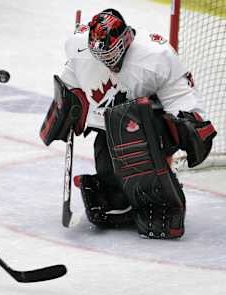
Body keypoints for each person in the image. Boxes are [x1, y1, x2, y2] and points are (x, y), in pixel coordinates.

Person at [40, 8, 216, 239]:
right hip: (108, 122)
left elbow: (179, 94)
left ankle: (160, 197)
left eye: (111, 53)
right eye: (100, 55)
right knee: (110, 183)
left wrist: (190, 120)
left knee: (132, 138)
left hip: (151, 126)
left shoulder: (156, 55)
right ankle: (114, 195)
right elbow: (71, 76)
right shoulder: (79, 46)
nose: (106, 61)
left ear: (125, 41)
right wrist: (69, 102)